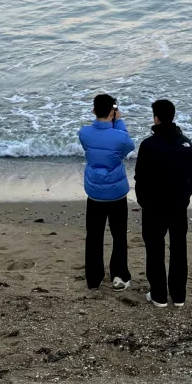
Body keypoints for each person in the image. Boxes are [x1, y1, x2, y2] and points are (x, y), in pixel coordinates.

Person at [134, 98, 192, 307]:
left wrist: (143, 201)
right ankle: (179, 295)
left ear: (156, 118)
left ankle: (159, 294)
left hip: (154, 206)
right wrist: (185, 196)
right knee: (179, 248)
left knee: (154, 248)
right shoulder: (186, 143)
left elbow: (140, 177)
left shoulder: (148, 144)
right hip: (178, 205)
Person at [78, 93, 135, 290]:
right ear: (113, 111)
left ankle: (93, 279)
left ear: (94, 110)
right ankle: (119, 275)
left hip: (94, 192)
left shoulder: (84, 133)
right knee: (119, 234)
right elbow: (128, 146)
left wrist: (109, 120)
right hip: (116, 192)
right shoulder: (120, 135)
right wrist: (118, 122)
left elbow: (95, 143)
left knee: (94, 235)